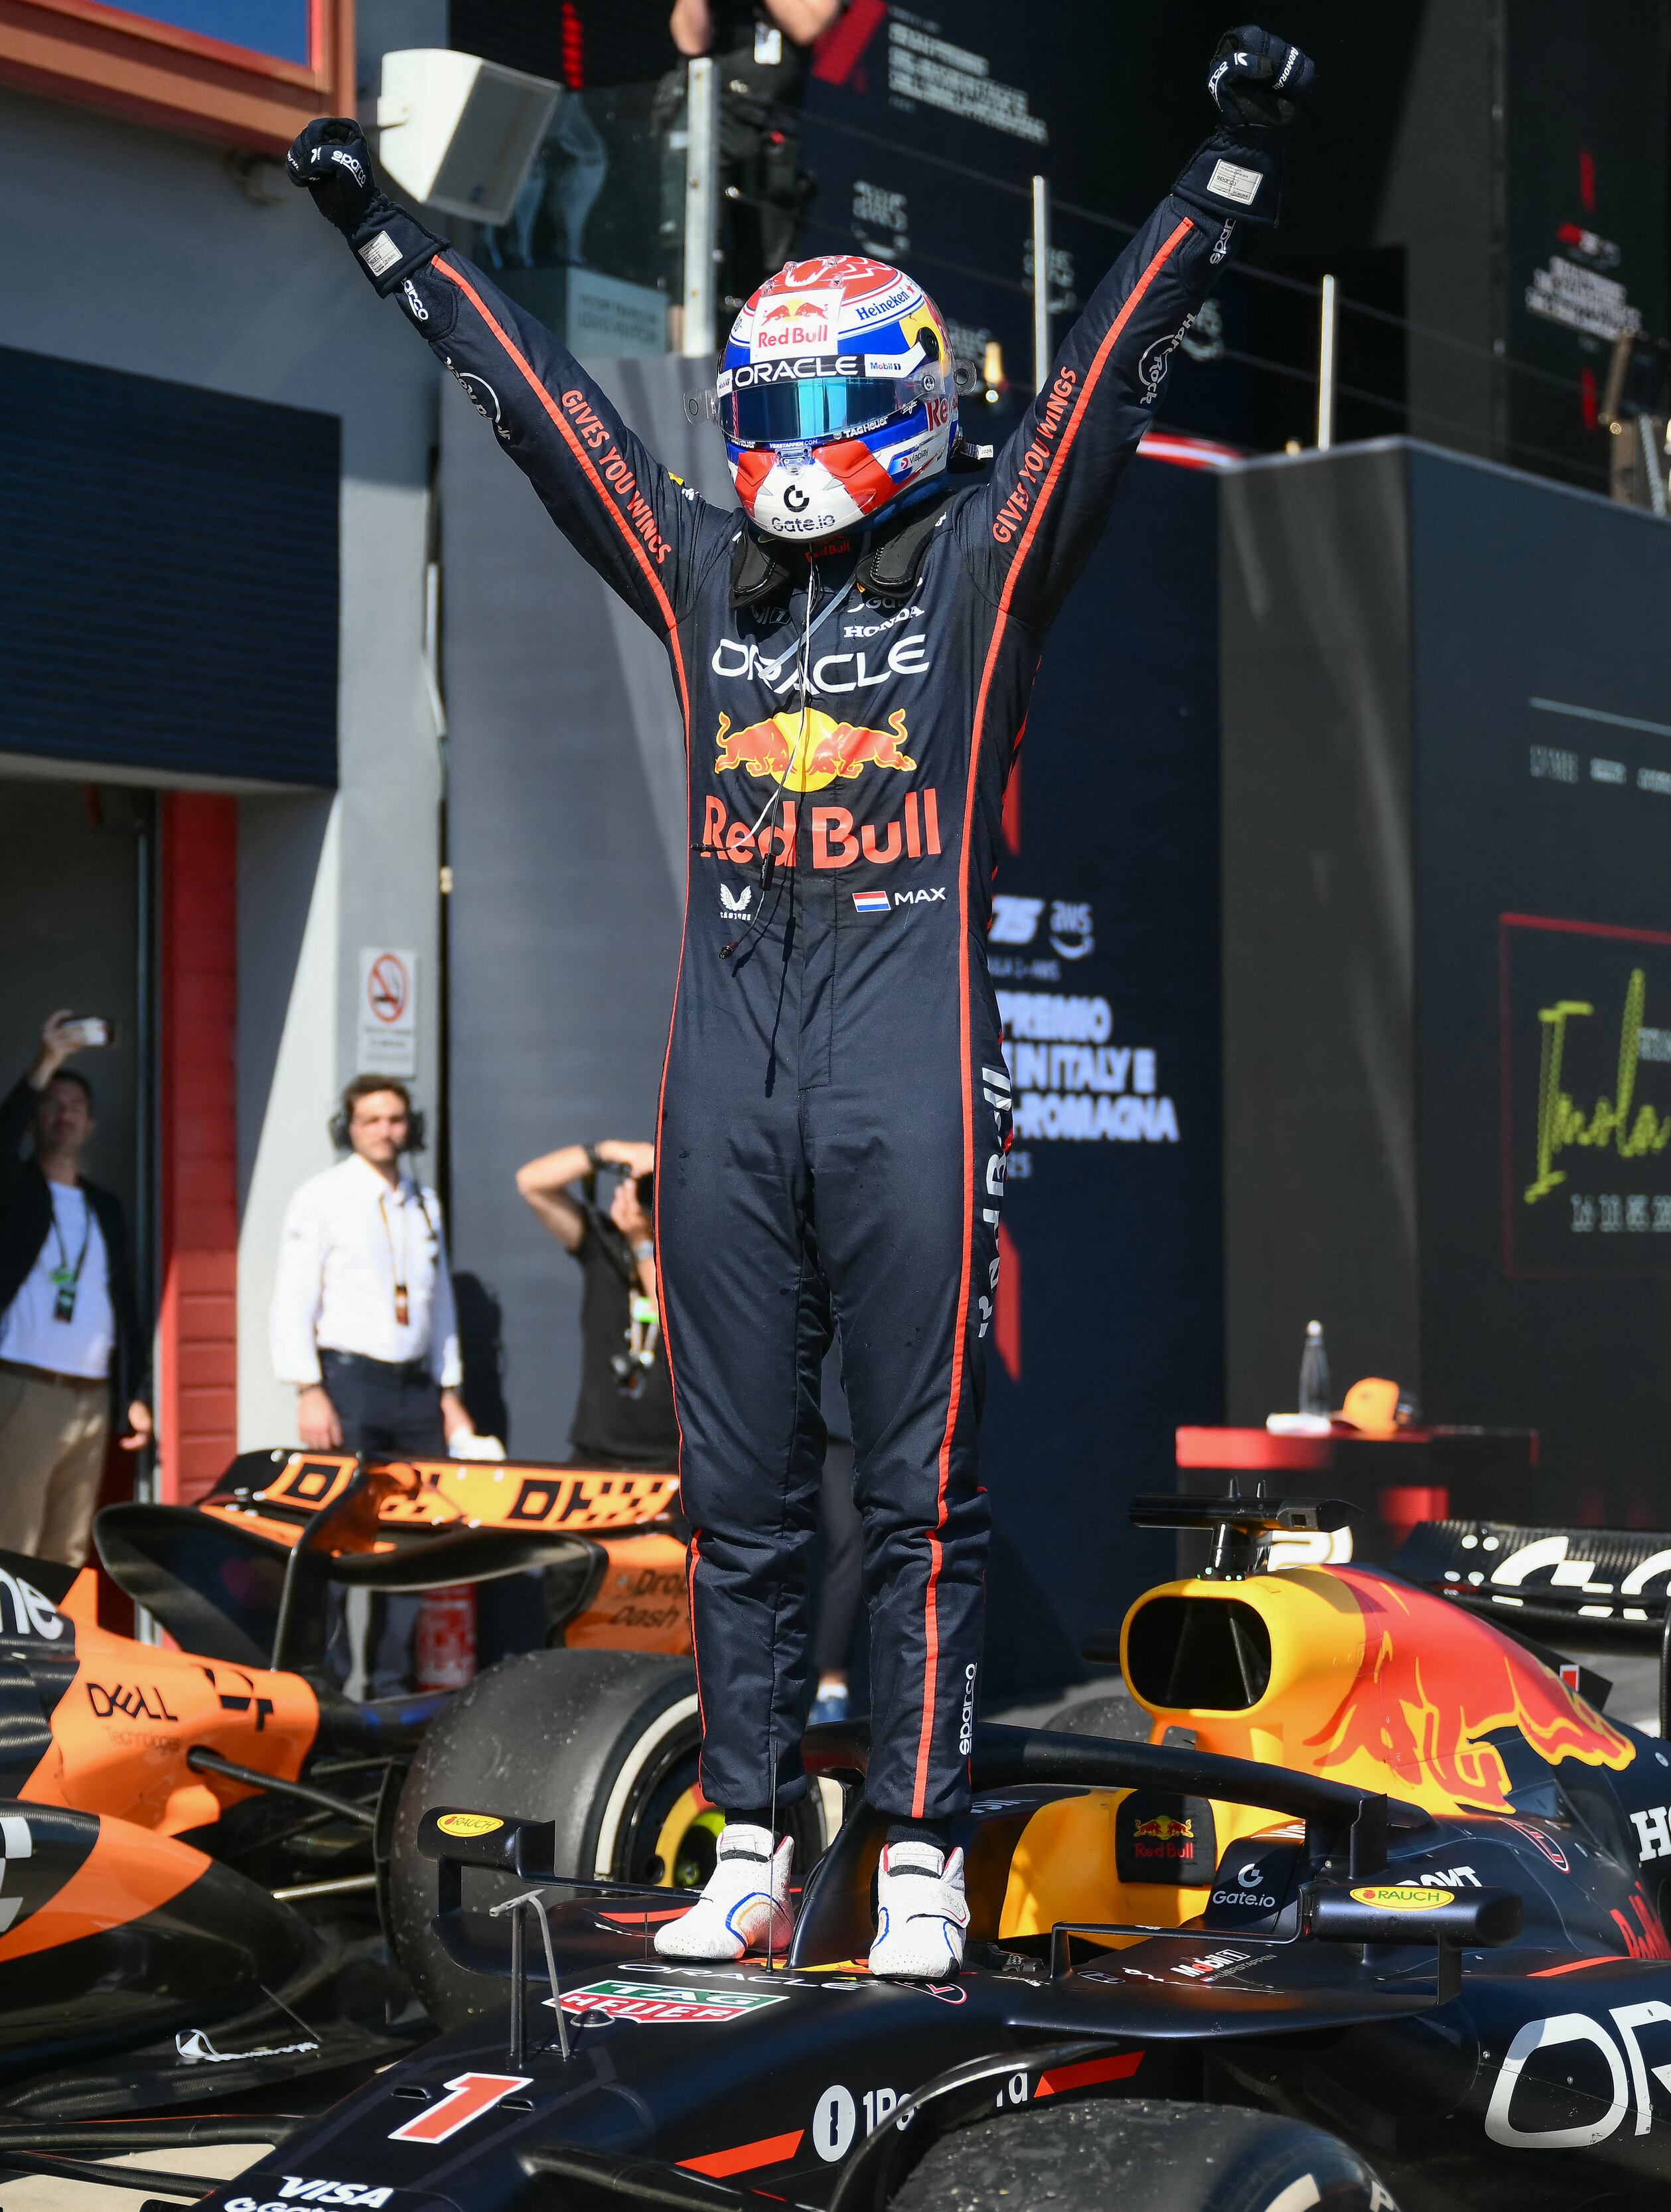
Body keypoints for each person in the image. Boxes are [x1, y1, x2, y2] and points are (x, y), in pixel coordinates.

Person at [287, 23, 1314, 1978]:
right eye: (764, 399)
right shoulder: (699, 571)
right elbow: (543, 411)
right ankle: (753, 1837)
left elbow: (1097, 380)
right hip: (723, 1086)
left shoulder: (984, 563)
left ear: (905, 406)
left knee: (919, 1495)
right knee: (736, 1504)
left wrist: (1228, 167)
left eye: (824, 397)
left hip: (903, 1068)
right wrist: (394, 242)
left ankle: (916, 1846)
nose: (783, 433)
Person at [0, 1013, 151, 1564]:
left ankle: (51, 1652)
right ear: (36, 1118)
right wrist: (45, 1064)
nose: (64, 1114)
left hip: (92, 1397)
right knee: (11, 1542)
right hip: (28, 1390)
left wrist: (133, 1392)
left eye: (76, 1107)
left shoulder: (105, 1207)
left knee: (68, 1549)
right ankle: (1, 1652)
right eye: (53, 1104)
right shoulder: (16, 1192)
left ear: (91, 1124)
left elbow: (125, 1305)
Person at [273, 1077, 474, 1460]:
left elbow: (440, 1304)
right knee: (350, 1508)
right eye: (371, 1120)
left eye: (395, 1120)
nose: (385, 1131)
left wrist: (449, 1393)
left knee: (423, 1505)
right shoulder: (321, 1197)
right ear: (348, 1127)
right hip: (351, 1385)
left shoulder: (425, 1203)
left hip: (417, 1388)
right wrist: (308, 1391)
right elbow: (293, 1300)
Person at [514, 1138, 678, 1471]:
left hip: (670, 1455)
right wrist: (608, 1153)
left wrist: (642, 1242)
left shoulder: (694, 1256)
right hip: (597, 1450)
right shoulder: (604, 1245)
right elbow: (532, 1183)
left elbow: (673, 1319)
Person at [668, 0, 842, 301]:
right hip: (707, 116)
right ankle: (686, 346)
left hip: (772, 132)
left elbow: (808, 24)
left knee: (769, 270)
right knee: (688, 255)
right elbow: (690, 41)